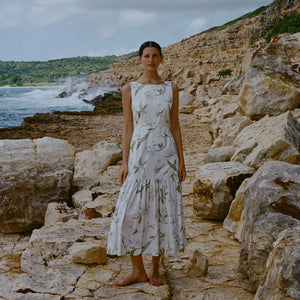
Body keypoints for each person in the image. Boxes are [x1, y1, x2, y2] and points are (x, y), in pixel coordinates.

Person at [107, 41, 187, 287]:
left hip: (166, 159)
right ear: (139, 59)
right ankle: (137, 270)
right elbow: (128, 127)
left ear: (161, 59)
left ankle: (154, 269)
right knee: (130, 212)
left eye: (155, 56)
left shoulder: (171, 88)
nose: (150, 60)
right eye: (146, 56)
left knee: (160, 211)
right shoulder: (129, 89)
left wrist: (182, 161)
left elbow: (174, 125)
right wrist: (124, 162)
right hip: (140, 156)